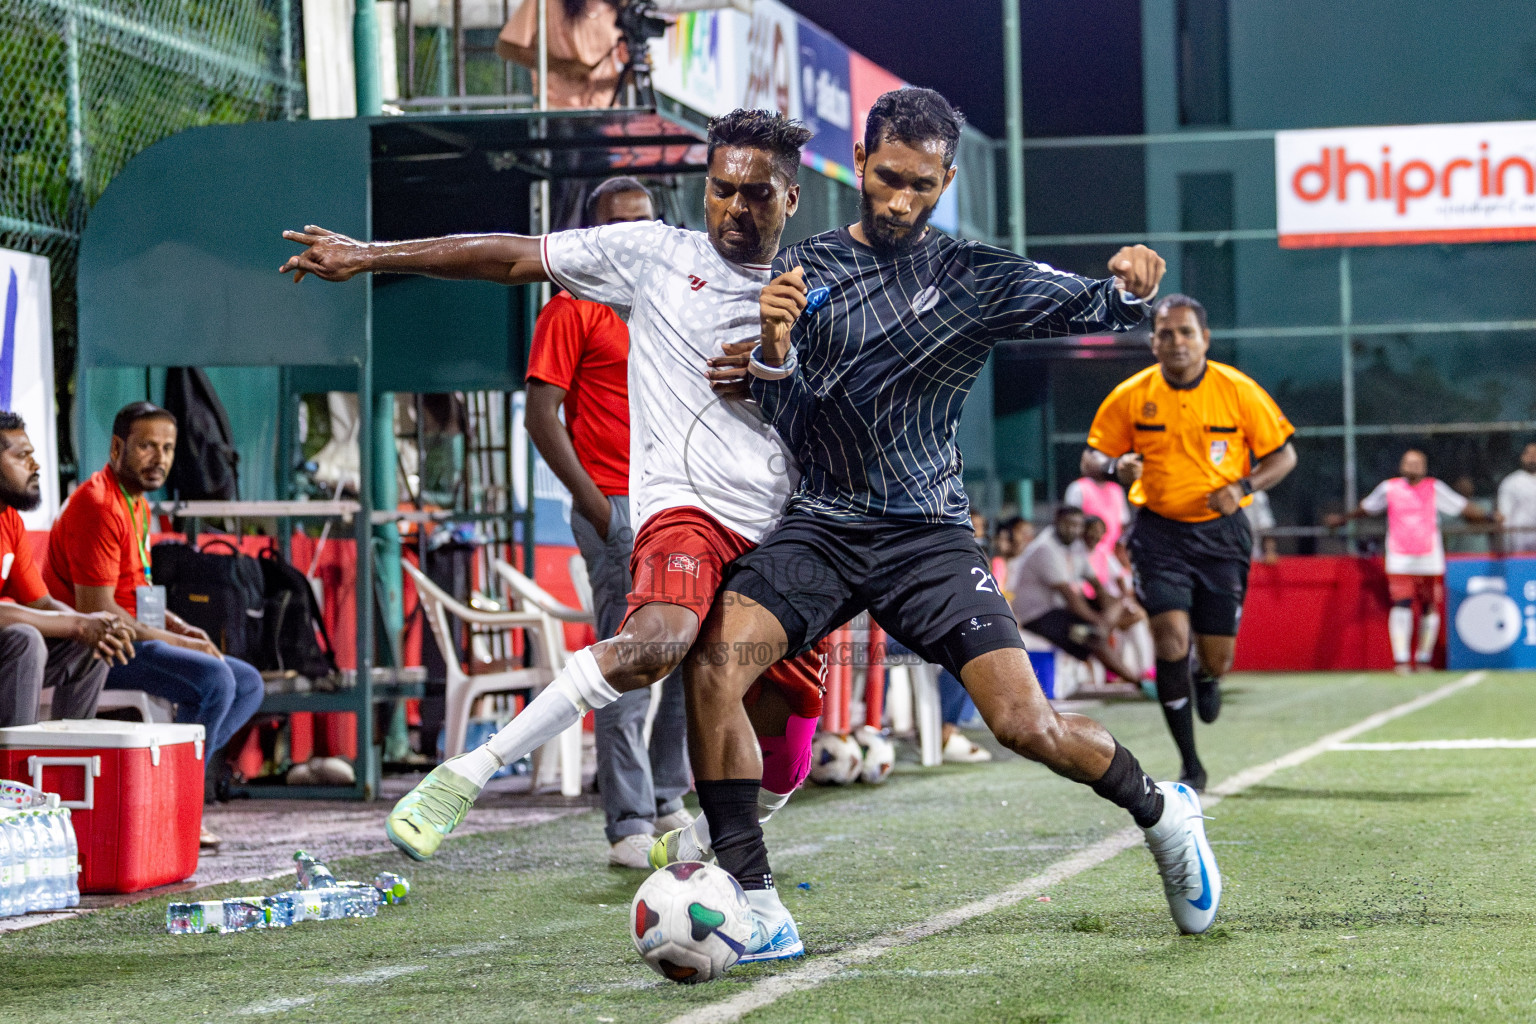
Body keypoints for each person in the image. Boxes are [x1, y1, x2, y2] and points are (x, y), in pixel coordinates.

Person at [281, 109, 827, 961]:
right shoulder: (652, 252)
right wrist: (370, 256)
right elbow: (508, 254)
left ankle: (699, 848)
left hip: (785, 536)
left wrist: (778, 369)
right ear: (704, 188)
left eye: (757, 195)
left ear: (790, 198)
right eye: (722, 189)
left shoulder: (822, 285)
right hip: (677, 512)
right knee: (658, 644)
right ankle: (468, 772)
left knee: (783, 762)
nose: (736, 209)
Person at [687, 87, 1222, 938]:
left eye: (924, 185)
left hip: (927, 539)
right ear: (859, 164)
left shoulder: (975, 277)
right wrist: (772, 356)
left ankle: (1164, 814)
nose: (903, 200)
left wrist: (1130, 283)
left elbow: (1093, 302)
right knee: (715, 665)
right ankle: (755, 906)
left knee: (1025, 723)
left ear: (947, 179)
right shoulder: (807, 272)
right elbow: (789, 417)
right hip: (822, 527)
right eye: (890, 177)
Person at [524, 175, 694, 868]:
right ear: (592, 237)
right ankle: (627, 820)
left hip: (682, 502)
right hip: (617, 504)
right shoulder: (571, 307)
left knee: (690, 649)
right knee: (627, 659)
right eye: (618, 224)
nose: (634, 234)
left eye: (644, 221)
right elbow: (542, 415)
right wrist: (599, 506)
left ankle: (669, 798)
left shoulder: (672, 303)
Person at [1081, 293, 1298, 792]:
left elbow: (1283, 457)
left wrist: (1243, 488)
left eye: (1186, 333)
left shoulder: (1238, 390)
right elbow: (1092, 457)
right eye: (1165, 333)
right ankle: (1190, 764)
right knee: (1171, 639)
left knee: (1216, 656)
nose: (1176, 342)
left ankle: (1208, 676)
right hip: (1159, 533)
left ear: (1205, 339)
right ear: (1152, 341)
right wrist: (1115, 467)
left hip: (1222, 535)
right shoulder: (1132, 394)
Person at [44, 402, 264, 848]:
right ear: (116, 447)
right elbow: (99, 613)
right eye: (146, 446)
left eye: (167, 448)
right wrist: (170, 639)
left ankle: (167, 785)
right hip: (93, 652)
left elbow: (139, 589)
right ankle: (180, 807)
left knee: (248, 683)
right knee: (215, 681)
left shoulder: (137, 502)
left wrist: (181, 628)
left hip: (134, 637)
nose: (159, 458)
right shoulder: (98, 504)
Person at [0, 412, 132, 727]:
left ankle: (68, 760)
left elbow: (42, 603)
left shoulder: (10, 521)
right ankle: (15, 770)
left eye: (33, 455)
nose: (36, 465)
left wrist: (88, 624)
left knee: (96, 641)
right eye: (22, 457)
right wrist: (75, 624)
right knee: (25, 639)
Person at [1329, 449, 1496, 673]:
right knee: (1402, 603)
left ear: (1425, 467)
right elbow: (1367, 508)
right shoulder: (1389, 488)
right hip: (1400, 557)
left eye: (1418, 463)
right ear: (1401, 465)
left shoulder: (1433, 487)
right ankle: (1401, 659)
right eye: (1409, 462)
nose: (1413, 467)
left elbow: (1461, 506)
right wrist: (1342, 519)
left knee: (1429, 606)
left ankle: (1424, 659)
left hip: (1429, 557)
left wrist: (1489, 516)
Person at [1010, 507, 1144, 684]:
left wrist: (1110, 613)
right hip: (1037, 616)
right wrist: (1100, 623)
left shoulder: (1074, 547)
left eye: (1078, 525)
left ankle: (1142, 672)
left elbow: (1099, 587)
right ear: (1057, 522)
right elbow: (1070, 598)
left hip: (1060, 610)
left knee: (1128, 612)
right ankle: (1136, 682)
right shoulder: (1045, 548)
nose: (1074, 529)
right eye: (1069, 524)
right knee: (1091, 637)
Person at [496, 0, 624, 109]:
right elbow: (506, 47)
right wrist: (561, 66)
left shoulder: (620, 7)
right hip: (557, 108)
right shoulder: (545, 3)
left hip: (605, 109)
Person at [1498, 441, 1536, 553]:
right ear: (1522, 457)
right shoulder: (1511, 482)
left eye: (1535, 454)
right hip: (1519, 541)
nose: (1532, 458)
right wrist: (1506, 547)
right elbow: (1504, 515)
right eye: (1529, 454)